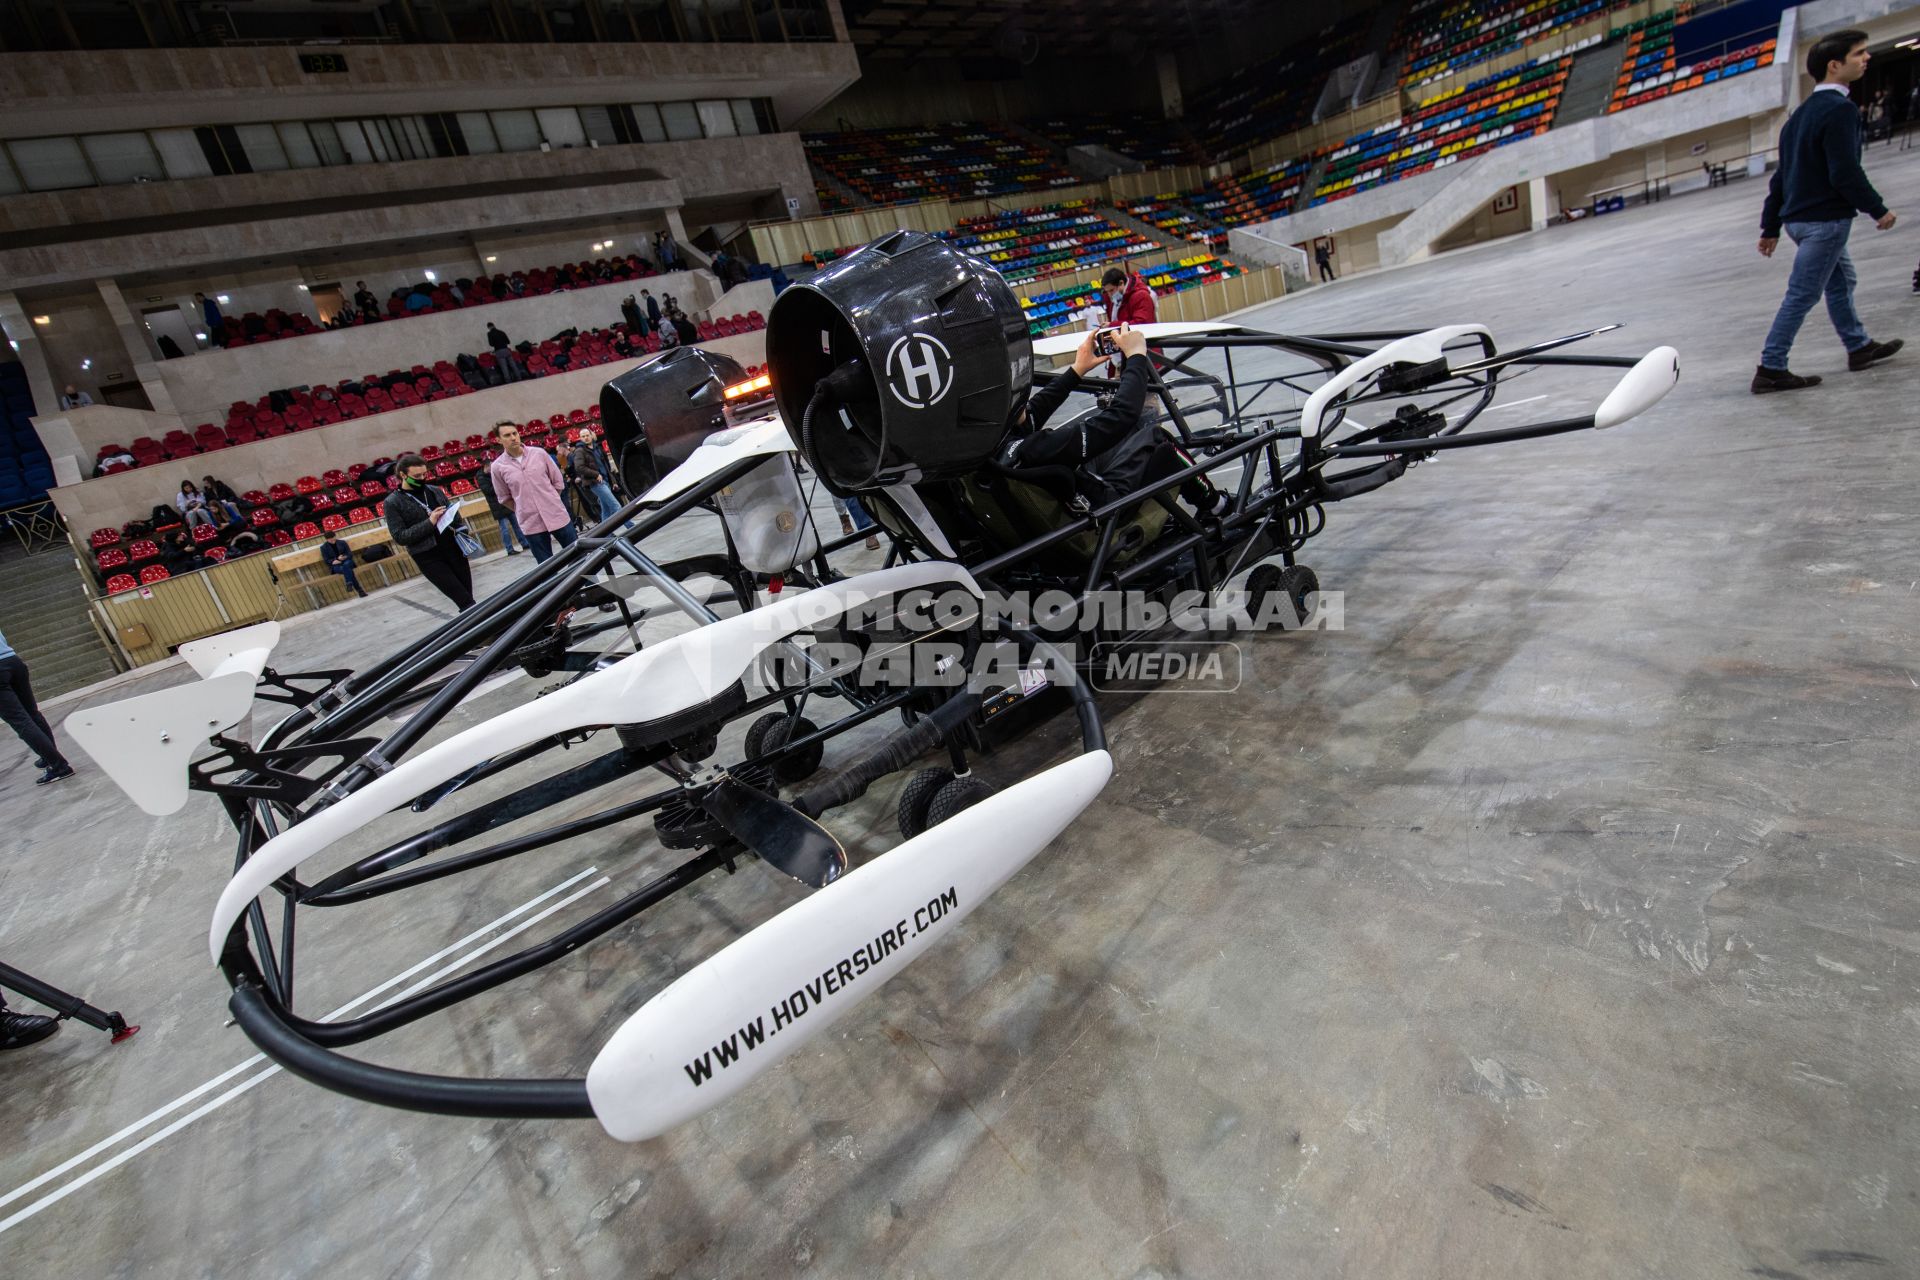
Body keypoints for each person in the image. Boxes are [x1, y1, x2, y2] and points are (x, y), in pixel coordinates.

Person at [1754, 29, 1903, 393]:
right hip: (1825, 221)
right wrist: (1877, 209)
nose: (1866, 59)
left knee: (1841, 281)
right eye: (1859, 54)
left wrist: (1770, 227)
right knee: (1802, 294)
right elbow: (1844, 171)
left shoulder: (1799, 116)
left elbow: (1781, 179)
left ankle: (1858, 347)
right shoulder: (1840, 110)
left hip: (1798, 222)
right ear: (1834, 66)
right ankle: (1771, 368)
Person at [999, 325, 1225, 517]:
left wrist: (1077, 370)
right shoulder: (1035, 449)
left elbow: (1030, 414)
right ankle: (1215, 505)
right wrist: (1136, 356)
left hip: (1073, 494)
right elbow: (1121, 415)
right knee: (1158, 439)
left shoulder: (997, 443)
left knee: (1135, 428)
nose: (1028, 402)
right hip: (1105, 508)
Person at [384, 453, 475, 610]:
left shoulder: (434, 490)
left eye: (424, 474)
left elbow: (455, 517)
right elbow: (400, 536)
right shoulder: (392, 502)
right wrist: (430, 522)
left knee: (468, 597)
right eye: (416, 476)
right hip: (428, 557)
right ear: (403, 475)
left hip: (454, 549)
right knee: (465, 600)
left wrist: (461, 528)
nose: (422, 478)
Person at [488, 423, 576, 562]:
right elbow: (504, 497)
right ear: (498, 440)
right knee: (546, 567)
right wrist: (522, 508)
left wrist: (551, 499)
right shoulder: (497, 467)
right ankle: (556, 585)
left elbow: (558, 482)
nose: (513, 438)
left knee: (579, 557)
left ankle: (592, 584)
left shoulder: (539, 453)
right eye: (507, 435)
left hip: (556, 513)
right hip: (530, 522)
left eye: (514, 433)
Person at [0, 627, 75, 785]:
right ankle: (49, 756)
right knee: (32, 713)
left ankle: (58, 766)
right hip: (13, 661)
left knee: (21, 721)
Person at [474, 446, 527, 555]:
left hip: (506, 503)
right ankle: (509, 549)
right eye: (491, 467)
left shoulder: (494, 473)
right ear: (486, 466)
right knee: (505, 529)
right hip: (497, 507)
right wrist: (500, 486)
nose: (492, 469)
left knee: (517, 525)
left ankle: (524, 543)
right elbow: (488, 490)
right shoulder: (480, 477)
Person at [568, 428, 621, 525]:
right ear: (580, 438)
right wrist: (595, 474)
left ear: (591, 435)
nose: (586, 438)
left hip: (605, 480)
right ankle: (631, 526)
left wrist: (613, 481)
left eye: (587, 435)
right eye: (583, 436)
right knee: (615, 506)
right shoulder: (579, 451)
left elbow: (606, 466)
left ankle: (606, 533)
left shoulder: (597, 447)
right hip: (595, 483)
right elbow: (579, 467)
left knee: (606, 510)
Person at [320, 530, 367, 598]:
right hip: (336, 565)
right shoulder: (323, 547)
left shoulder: (342, 542)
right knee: (348, 570)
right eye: (330, 540)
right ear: (327, 539)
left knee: (346, 566)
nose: (333, 540)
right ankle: (359, 590)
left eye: (333, 538)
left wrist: (344, 557)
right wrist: (334, 560)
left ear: (335, 536)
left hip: (346, 561)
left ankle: (349, 583)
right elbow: (326, 560)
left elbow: (350, 554)